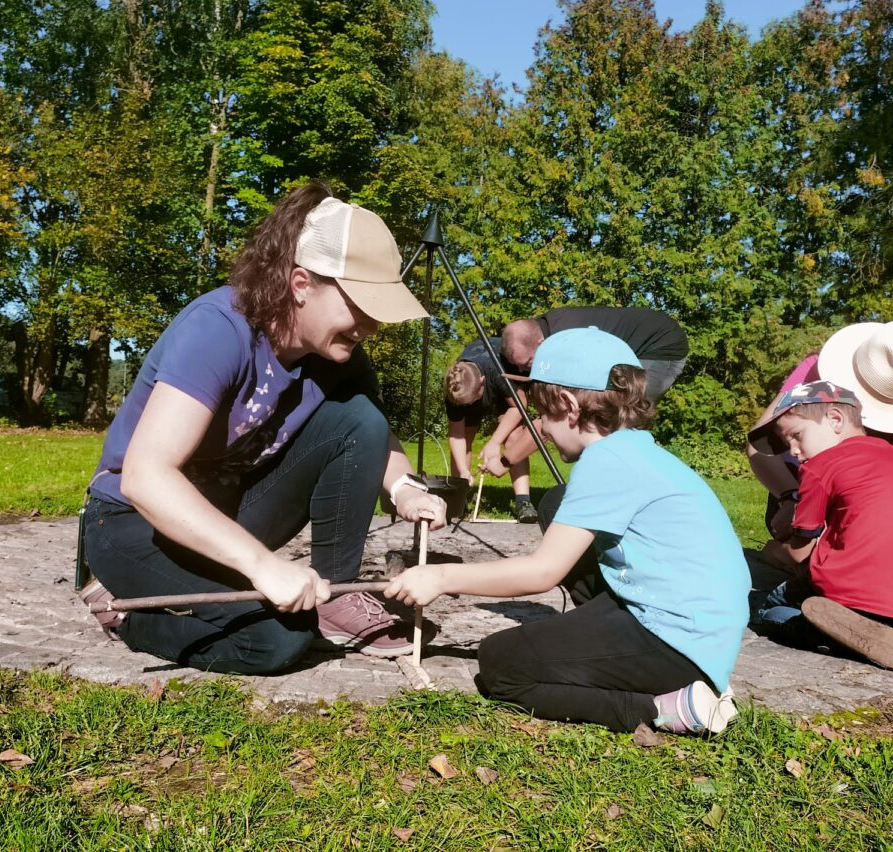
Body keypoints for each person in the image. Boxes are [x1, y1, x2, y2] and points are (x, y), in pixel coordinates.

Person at [79, 182, 447, 675]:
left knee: (358, 415)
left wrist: (402, 487)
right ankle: (125, 615)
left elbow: (373, 431)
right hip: (132, 523)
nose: (370, 325)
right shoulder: (219, 328)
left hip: (223, 512)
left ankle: (332, 598)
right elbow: (146, 478)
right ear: (300, 284)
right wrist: (261, 564)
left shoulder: (338, 354)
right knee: (275, 641)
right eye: (360, 304)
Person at [387, 328, 750, 734]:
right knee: (556, 501)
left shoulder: (605, 462)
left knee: (501, 664)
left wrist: (439, 576)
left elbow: (543, 572)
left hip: (678, 642)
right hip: (700, 627)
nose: (539, 425)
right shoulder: (634, 449)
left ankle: (661, 707)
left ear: (567, 405)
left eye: (541, 414)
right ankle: (619, 657)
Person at [746, 320, 893, 615]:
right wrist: (789, 497)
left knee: (774, 605)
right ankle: (890, 604)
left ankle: (818, 611)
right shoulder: (816, 377)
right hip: (804, 498)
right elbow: (759, 448)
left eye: (798, 438)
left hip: (871, 516)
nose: (794, 449)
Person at [747, 380, 893, 671]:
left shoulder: (819, 466)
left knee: (767, 606)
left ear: (835, 420)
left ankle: (825, 633)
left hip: (853, 595)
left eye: (796, 436)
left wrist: (773, 551)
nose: (792, 451)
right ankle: (873, 630)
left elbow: (797, 553)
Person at [478, 306, 688, 479]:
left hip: (659, 348)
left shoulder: (567, 344)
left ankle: (621, 490)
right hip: (641, 340)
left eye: (528, 363)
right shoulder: (545, 334)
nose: (526, 371)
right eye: (521, 368)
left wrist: (505, 462)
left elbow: (553, 419)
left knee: (619, 422)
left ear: (541, 344)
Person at [444, 338, 538, 522]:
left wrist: (494, 442)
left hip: (508, 396)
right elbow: (457, 435)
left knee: (513, 436)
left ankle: (523, 502)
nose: (470, 405)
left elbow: (520, 406)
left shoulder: (496, 370)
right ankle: (459, 497)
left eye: (472, 400)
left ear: (482, 381)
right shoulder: (456, 387)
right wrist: (464, 471)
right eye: (466, 403)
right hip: (477, 388)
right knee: (467, 434)